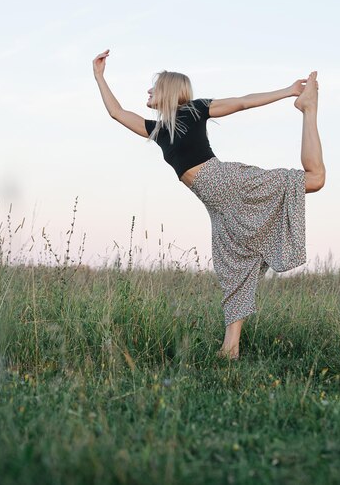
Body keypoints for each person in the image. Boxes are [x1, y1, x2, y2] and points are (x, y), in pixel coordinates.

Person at [93, 49, 325, 361]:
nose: (148, 91)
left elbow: (243, 101)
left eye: (154, 86)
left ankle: (308, 108)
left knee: (314, 179)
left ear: (169, 91)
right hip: (219, 207)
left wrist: (289, 91)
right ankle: (230, 349)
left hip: (230, 183)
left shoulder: (196, 109)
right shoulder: (158, 131)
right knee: (236, 269)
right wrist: (99, 76)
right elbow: (117, 113)